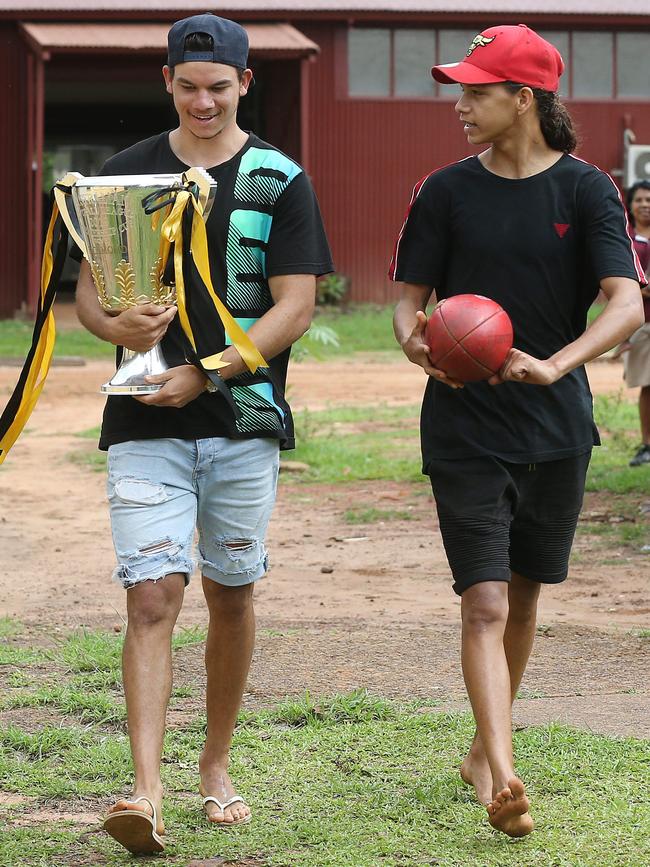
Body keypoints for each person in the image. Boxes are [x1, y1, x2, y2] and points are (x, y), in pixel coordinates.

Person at [75, 13, 333, 855]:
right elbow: (88, 297)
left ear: (244, 84)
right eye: (188, 87)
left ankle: (215, 762)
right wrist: (120, 328)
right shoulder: (124, 174)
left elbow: (296, 305)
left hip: (241, 417)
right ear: (167, 83)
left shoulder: (277, 180)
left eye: (218, 88)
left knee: (231, 592)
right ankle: (144, 790)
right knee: (152, 595)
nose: (202, 102)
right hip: (142, 417)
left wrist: (209, 370)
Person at [390, 24, 645, 838]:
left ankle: (479, 747)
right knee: (486, 600)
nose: (460, 106)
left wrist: (557, 364)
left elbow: (627, 300)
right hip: (464, 426)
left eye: (476, 91)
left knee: (526, 593)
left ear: (522, 98)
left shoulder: (587, 190)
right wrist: (411, 337)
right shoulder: (444, 191)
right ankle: (504, 773)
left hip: (556, 426)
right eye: (460, 91)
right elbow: (407, 301)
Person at [617, 180, 650, 466]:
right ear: (630, 205)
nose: (645, 205)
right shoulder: (625, 241)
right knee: (647, 384)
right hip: (643, 326)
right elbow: (618, 284)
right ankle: (646, 444)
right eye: (640, 200)